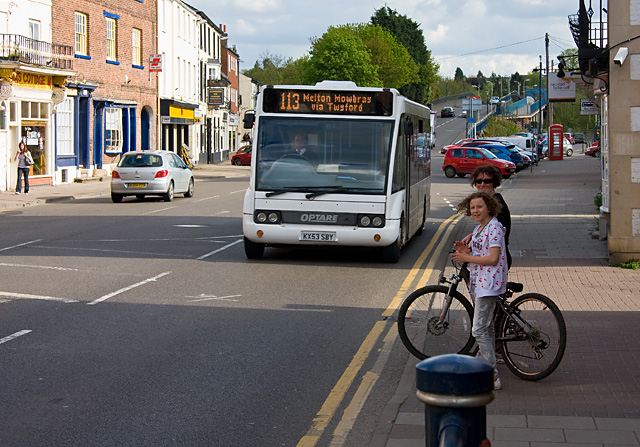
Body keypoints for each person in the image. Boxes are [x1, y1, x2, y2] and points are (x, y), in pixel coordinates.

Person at [452, 191, 508, 390]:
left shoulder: (494, 228)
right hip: (480, 283)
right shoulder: (479, 228)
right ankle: (484, 363)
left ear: (489, 208)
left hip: (489, 285)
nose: (475, 211)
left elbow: (493, 258)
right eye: (473, 207)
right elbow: (480, 252)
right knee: (487, 326)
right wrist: (464, 251)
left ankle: (491, 376)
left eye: (479, 207)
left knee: (478, 329)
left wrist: (467, 259)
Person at [463, 165, 512, 269]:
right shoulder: (490, 202)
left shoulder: (496, 204)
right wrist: (473, 235)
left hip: (495, 258)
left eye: (487, 181)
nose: (482, 184)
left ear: (494, 183)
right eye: (479, 181)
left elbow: (494, 229)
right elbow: (487, 228)